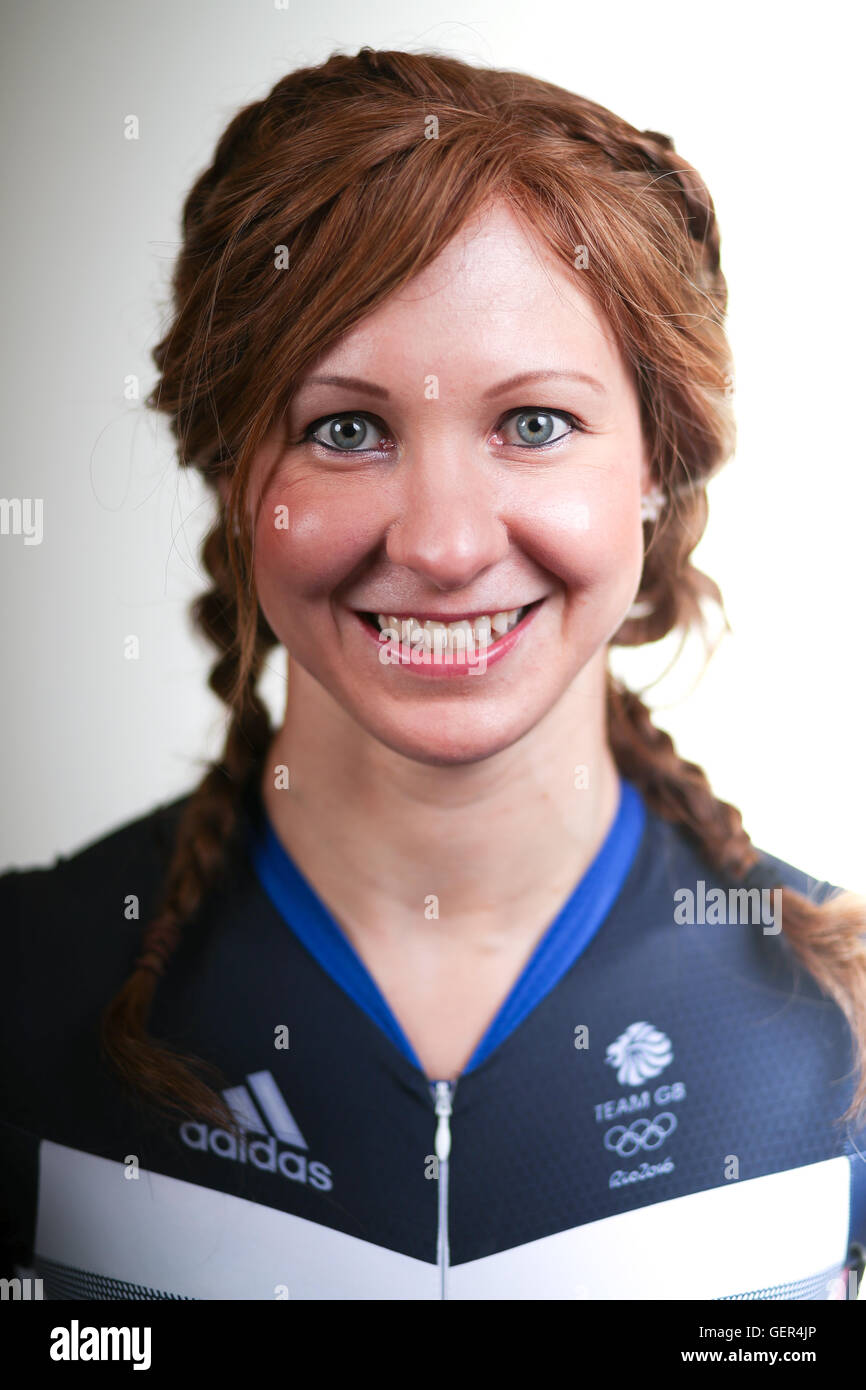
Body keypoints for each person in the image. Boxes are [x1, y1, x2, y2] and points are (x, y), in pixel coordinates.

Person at [2, 46, 865, 1302]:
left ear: (654, 468)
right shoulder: (26, 986)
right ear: (234, 483)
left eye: (533, 424)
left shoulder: (839, 1037)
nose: (444, 543)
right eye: (344, 429)